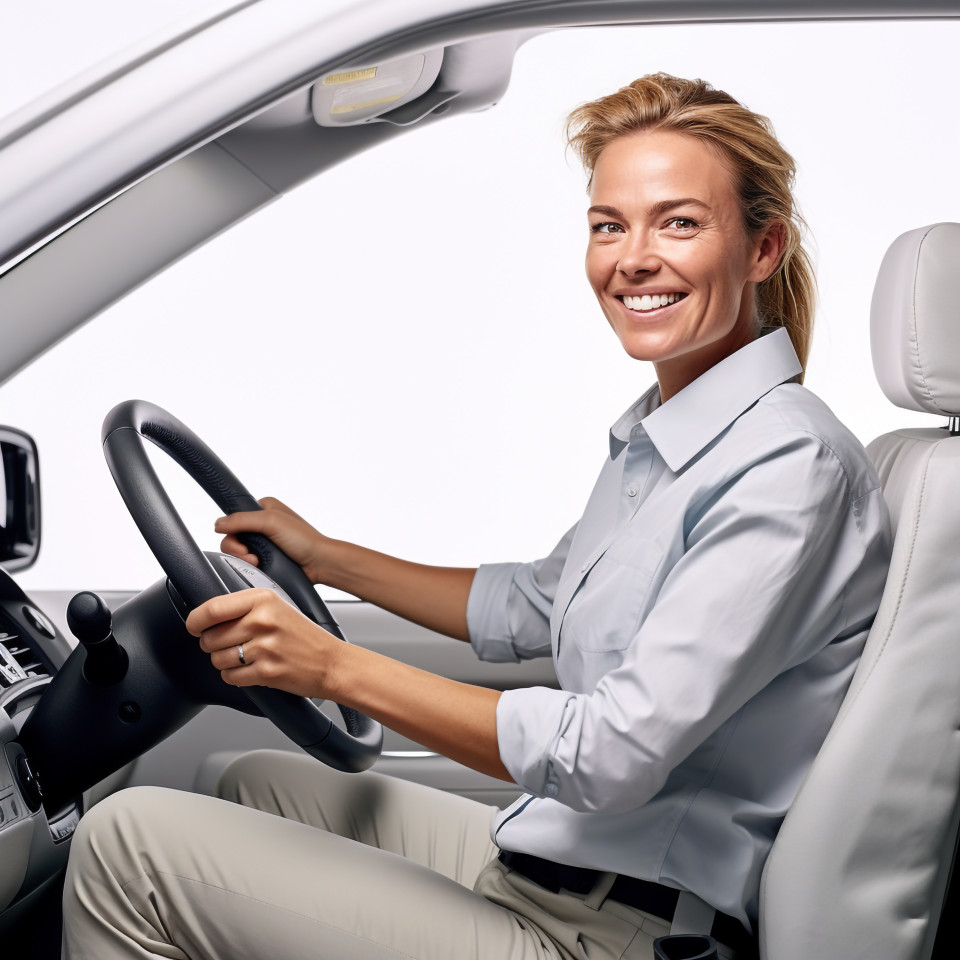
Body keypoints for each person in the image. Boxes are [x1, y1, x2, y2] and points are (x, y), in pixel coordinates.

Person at [61, 73, 891, 960]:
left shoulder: (787, 468)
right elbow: (533, 603)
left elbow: (609, 754)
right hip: (558, 866)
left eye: (678, 222)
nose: (632, 258)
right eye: (609, 225)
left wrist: (334, 667)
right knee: (251, 780)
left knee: (124, 844)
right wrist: (327, 557)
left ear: (764, 249)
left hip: (616, 933)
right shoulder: (676, 440)